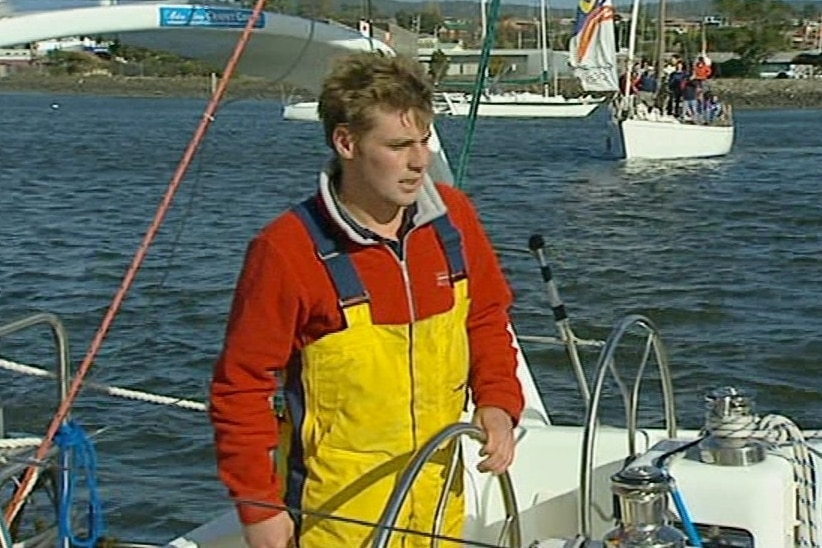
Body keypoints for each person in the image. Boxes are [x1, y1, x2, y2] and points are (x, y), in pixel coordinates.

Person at [210, 51, 525, 548]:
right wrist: (260, 512)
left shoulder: (456, 222)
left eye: (423, 141)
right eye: (399, 145)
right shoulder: (286, 251)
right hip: (335, 521)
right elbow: (240, 390)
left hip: (440, 506)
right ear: (346, 142)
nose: (419, 161)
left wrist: (498, 404)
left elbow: (485, 319)